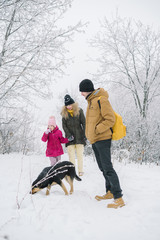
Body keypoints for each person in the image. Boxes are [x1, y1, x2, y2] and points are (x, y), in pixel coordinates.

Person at [79, 79, 125, 208]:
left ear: (86, 89)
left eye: (82, 91)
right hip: (95, 140)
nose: (81, 94)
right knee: (102, 168)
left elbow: (110, 119)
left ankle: (119, 198)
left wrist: (96, 130)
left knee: (108, 168)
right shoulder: (91, 102)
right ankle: (109, 192)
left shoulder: (101, 100)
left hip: (103, 139)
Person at [61, 94, 86, 176]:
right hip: (70, 139)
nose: (69, 106)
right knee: (71, 156)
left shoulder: (79, 111)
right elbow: (64, 126)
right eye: (67, 105)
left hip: (79, 137)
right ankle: (72, 171)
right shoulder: (64, 114)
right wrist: (68, 136)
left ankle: (81, 170)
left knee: (79, 155)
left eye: (70, 104)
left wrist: (85, 134)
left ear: (73, 103)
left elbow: (84, 123)